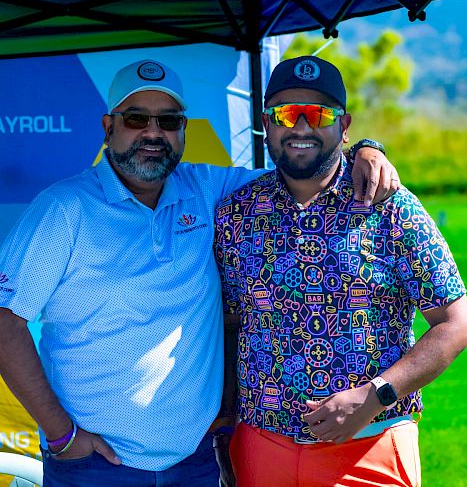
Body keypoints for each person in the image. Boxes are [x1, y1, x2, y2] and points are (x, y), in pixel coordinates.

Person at [0, 58, 396, 486]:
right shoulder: (64, 209)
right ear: (108, 126)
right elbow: (5, 319)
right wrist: (62, 434)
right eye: (136, 118)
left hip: (194, 462)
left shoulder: (204, 189)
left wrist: (365, 149)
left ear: (183, 130)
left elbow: (303, 164)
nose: (153, 133)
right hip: (95, 465)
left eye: (168, 121)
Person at [214, 55, 467, 487]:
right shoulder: (237, 213)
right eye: (285, 114)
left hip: (370, 445)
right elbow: (230, 325)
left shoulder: (390, 207)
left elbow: (456, 324)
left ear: (344, 124)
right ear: (265, 123)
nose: (300, 127)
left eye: (317, 114)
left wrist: (376, 396)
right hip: (261, 446)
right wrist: (226, 427)